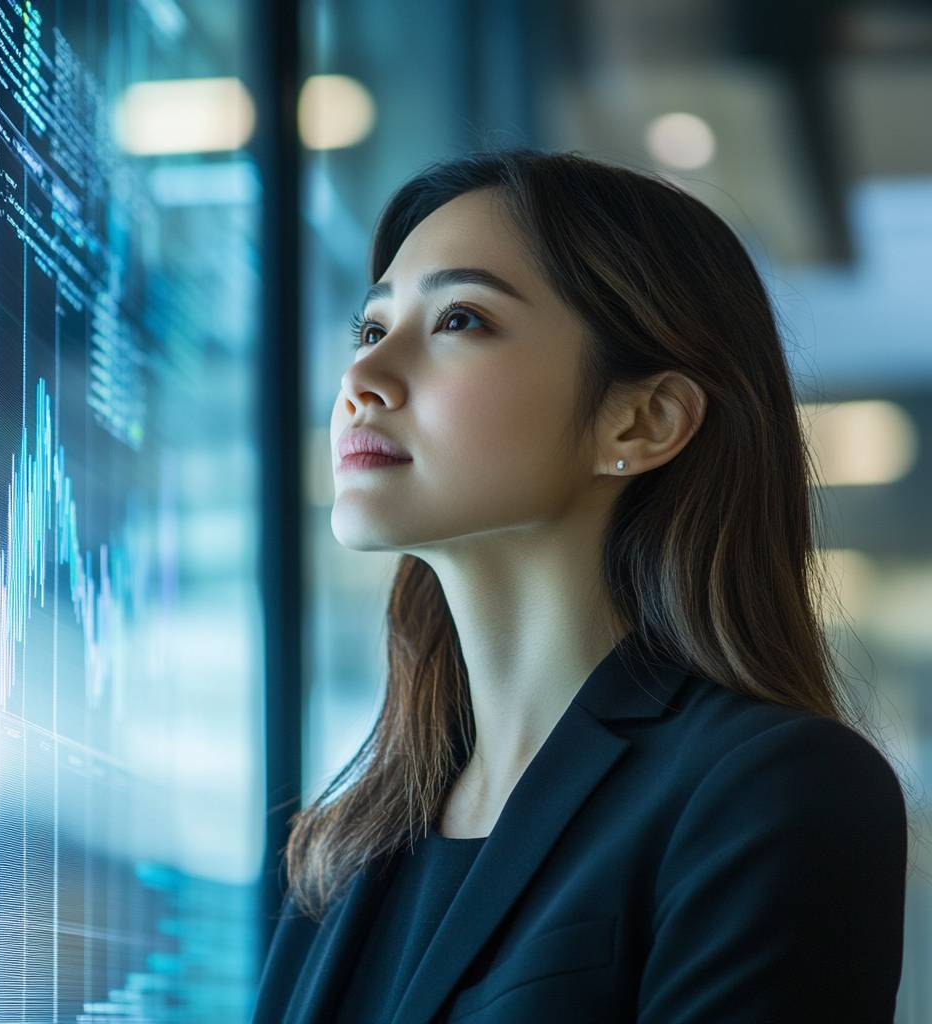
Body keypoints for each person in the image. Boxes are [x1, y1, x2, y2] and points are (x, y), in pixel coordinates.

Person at [251, 148, 910, 1023]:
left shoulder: (773, 790)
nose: (361, 381)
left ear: (641, 421)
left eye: (459, 320)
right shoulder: (348, 841)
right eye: (371, 331)